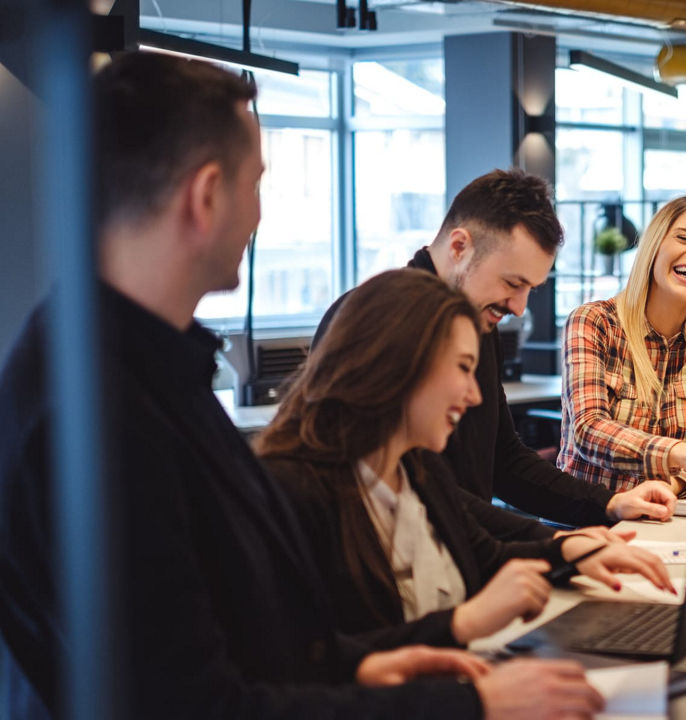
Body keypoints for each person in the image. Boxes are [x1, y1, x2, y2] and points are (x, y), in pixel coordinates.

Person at [0, 53, 603, 719]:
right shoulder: (93, 410)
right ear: (205, 196)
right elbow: (197, 703)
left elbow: (250, 637)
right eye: (256, 184)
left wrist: (373, 661)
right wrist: (469, 704)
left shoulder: (144, 368)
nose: (261, 215)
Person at [257, 268, 674, 645]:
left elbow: (485, 555)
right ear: (398, 364)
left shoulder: (416, 471)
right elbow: (313, 664)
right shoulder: (293, 494)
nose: (474, 395)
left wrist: (571, 550)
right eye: (462, 368)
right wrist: (463, 624)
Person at [314, 170, 676, 541]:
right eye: (512, 283)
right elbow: (419, 494)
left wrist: (609, 503)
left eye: (529, 289)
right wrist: (554, 544)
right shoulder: (373, 322)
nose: (519, 308)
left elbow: (505, 461)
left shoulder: (477, 321)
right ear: (459, 247)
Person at [558, 195, 686, 497]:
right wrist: (679, 453)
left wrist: (671, 485)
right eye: (684, 238)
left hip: (669, 519)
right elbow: (588, 432)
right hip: (587, 523)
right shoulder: (594, 322)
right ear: (654, 247)